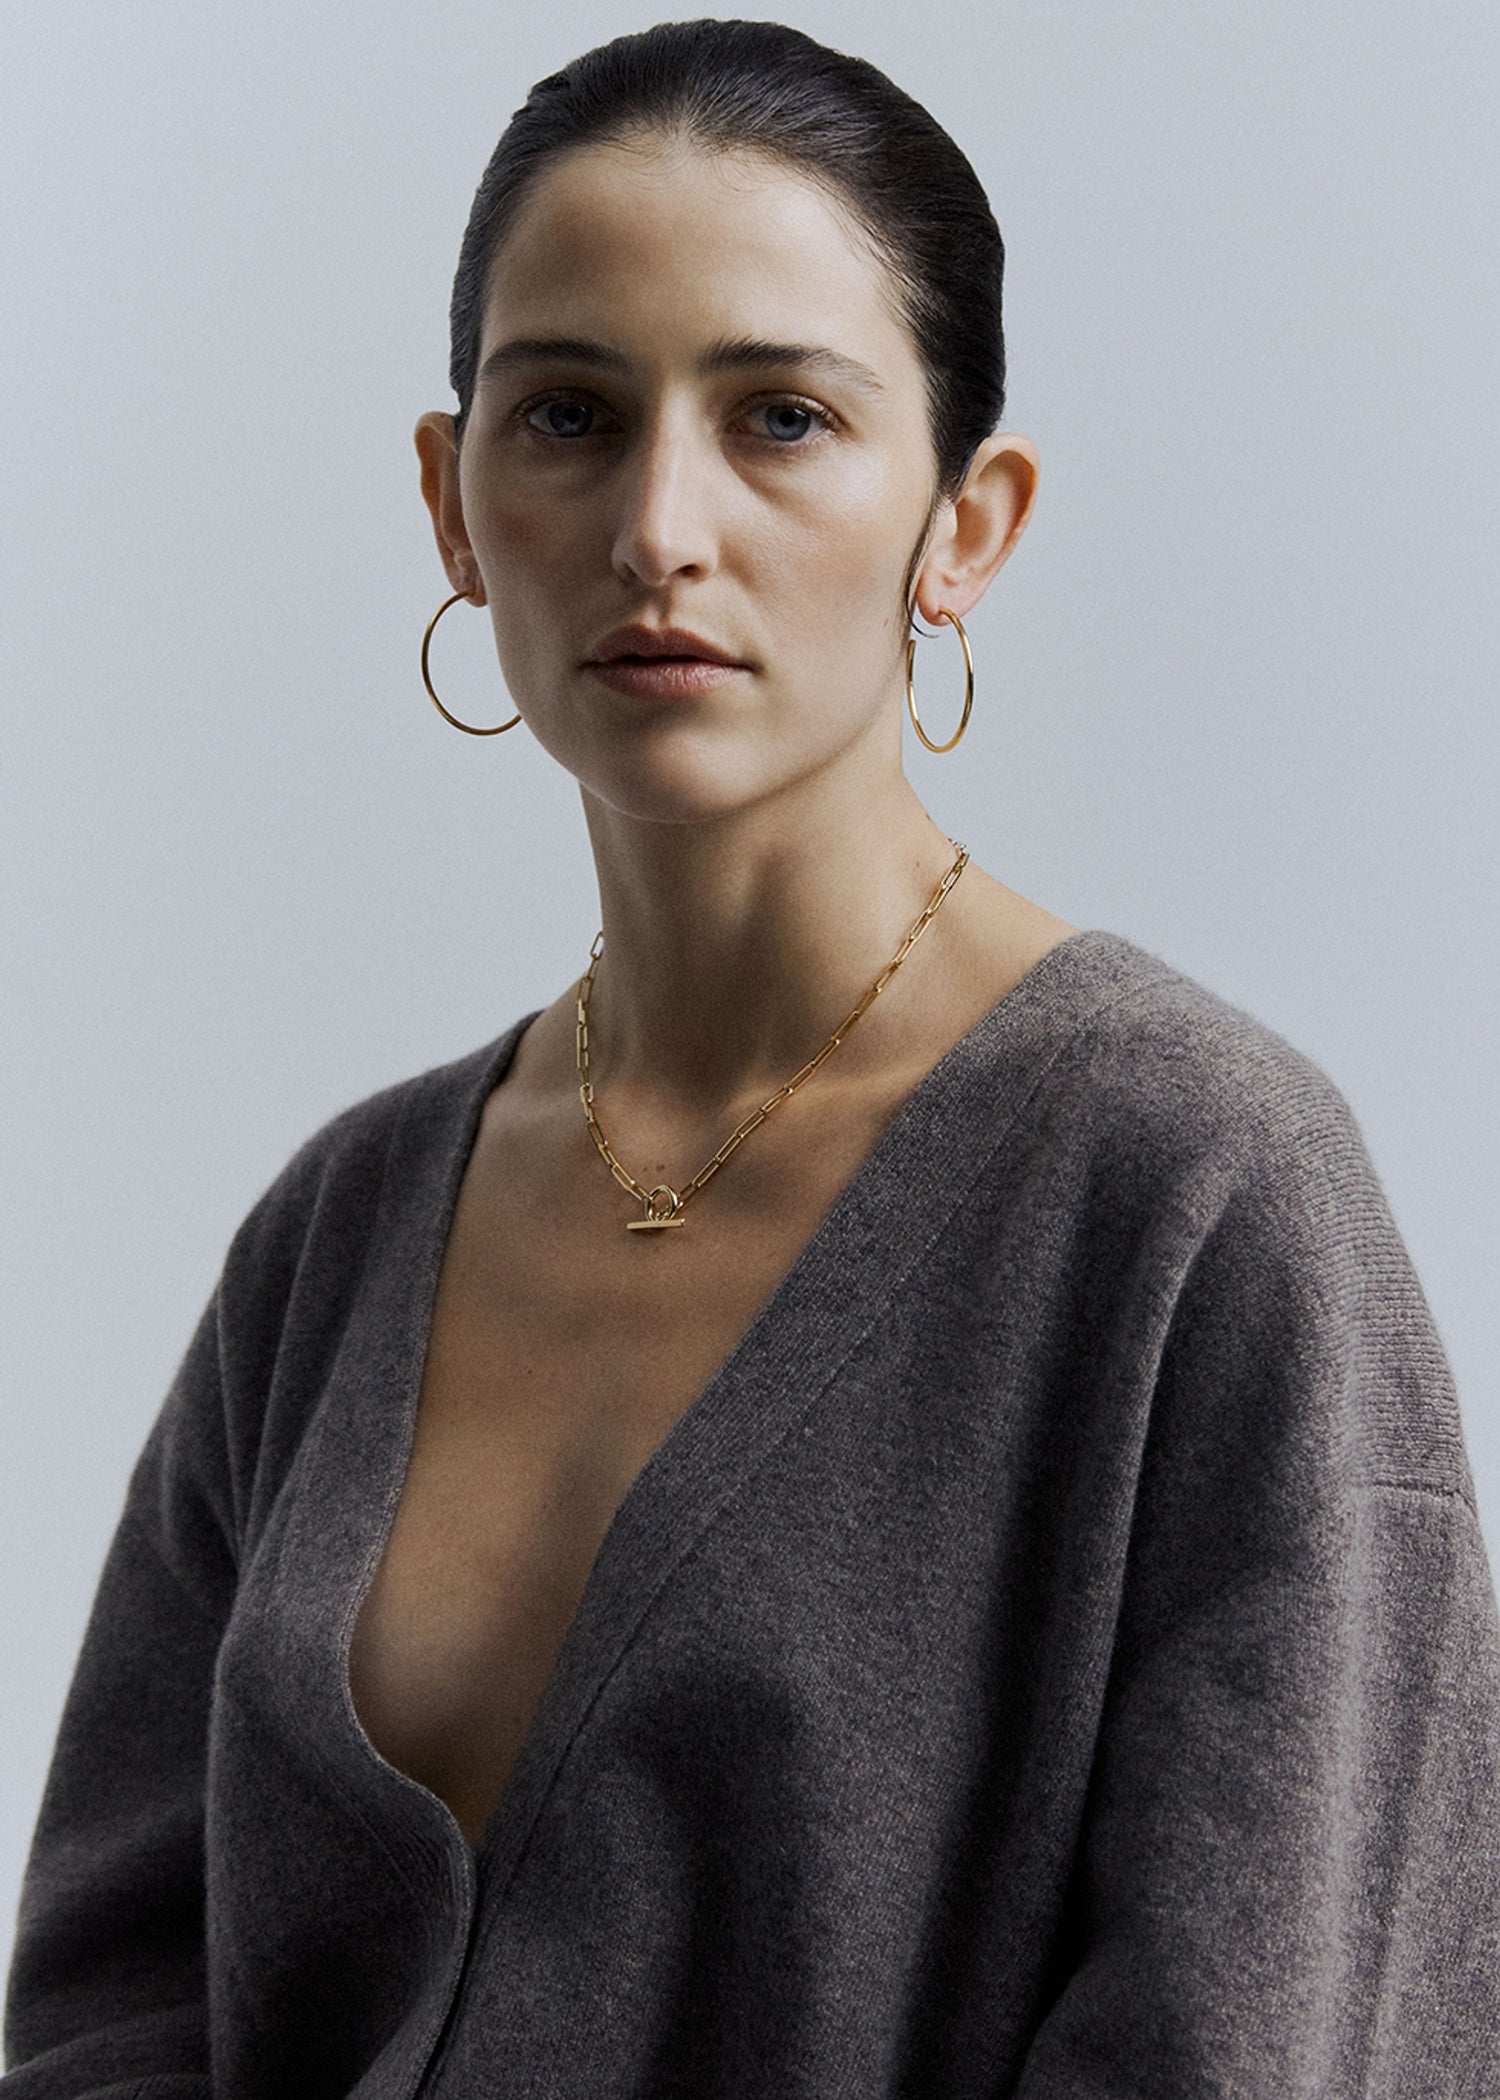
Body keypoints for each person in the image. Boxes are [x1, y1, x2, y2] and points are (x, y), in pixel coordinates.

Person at [5, 18, 1498, 2098]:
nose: (658, 525)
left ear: (967, 522)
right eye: (567, 415)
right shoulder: (338, 1235)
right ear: (451, 501)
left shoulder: (1200, 1197)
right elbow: (107, 2003)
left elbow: (1261, 2037)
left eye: (782, 417)